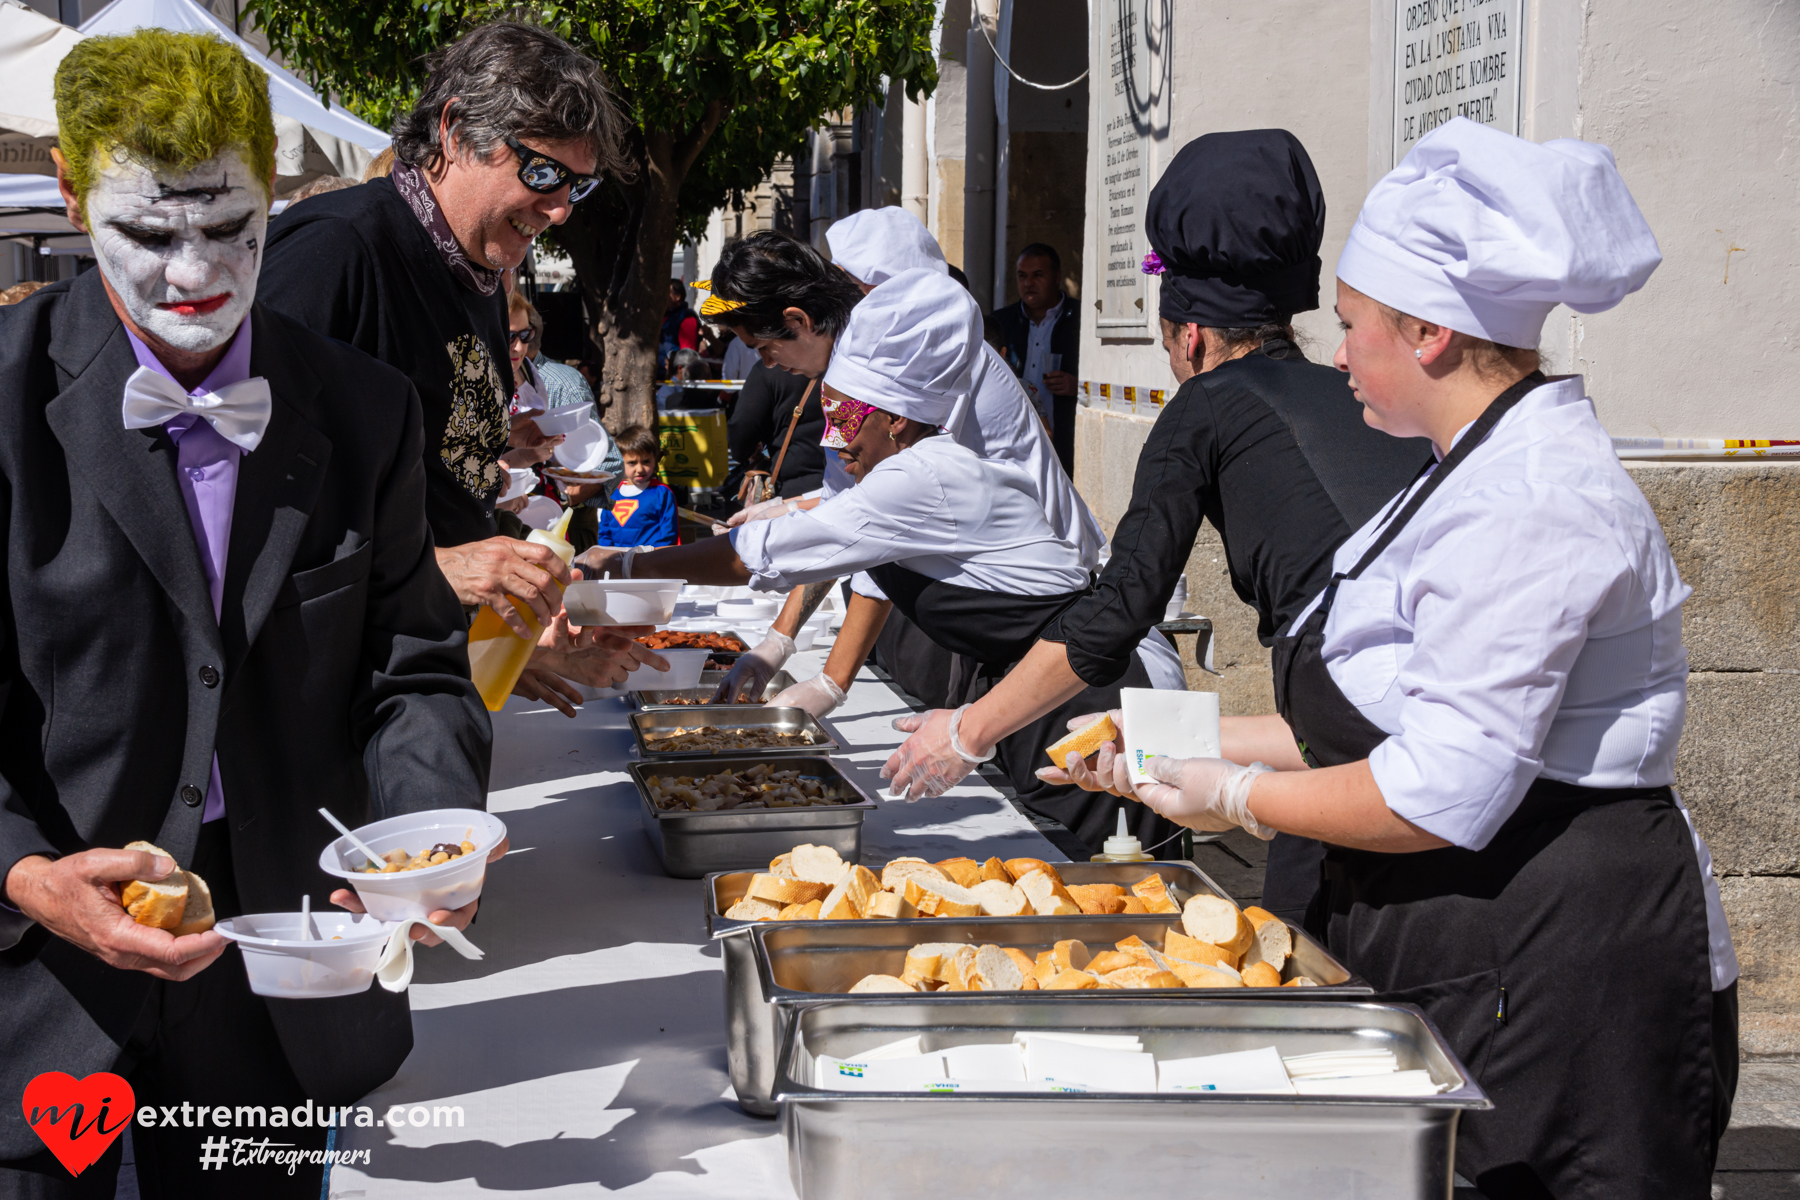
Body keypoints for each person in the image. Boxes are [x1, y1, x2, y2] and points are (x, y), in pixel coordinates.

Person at [1056, 117, 1737, 1198]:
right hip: (1472, 936)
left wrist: (1232, 793)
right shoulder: (1457, 472)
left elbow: (1437, 789)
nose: (1337, 354)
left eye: (1353, 325)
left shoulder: (1533, 502)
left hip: (1561, 960)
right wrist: (1158, 746)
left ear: (1425, 333)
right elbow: (1390, 714)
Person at [0, 31, 491, 1197]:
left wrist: (423, 837)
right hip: (42, 987)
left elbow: (413, 665)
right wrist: (26, 877)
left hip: (278, 973)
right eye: (147, 233)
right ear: (71, 189)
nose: (193, 275)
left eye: (229, 228)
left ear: (272, 187)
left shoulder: (363, 410)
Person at [885, 130, 1432, 925]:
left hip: (1358, 769)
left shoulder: (1203, 406)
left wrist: (967, 734)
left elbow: (1115, 611)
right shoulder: (1355, 397)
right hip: (1419, 734)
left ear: (1191, 336)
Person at [584, 270, 1183, 855]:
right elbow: (844, 542)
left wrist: (628, 567)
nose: (835, 444)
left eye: (845, 421)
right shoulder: (903, 465)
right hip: (1031, 694)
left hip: (1100, 698)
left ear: (896, 419)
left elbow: (766, 557)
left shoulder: (924, 475)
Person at [258, 22, 652, 703]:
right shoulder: (335, 252)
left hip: (421, 680)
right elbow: (240, 501)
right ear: (455, 131)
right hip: (322, 710)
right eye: (543, 172)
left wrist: (494, 653)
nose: (559, 209)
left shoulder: (473, 274)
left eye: (577, 187)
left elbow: (434, 487)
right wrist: (438, 571)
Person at [700, 227, 1128, 721]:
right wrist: (778, 641)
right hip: (991, 610)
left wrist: (832, 681)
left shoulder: (899, 366)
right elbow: (848, 514)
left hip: (1040, 607)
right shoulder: (853, 371)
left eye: (763, 348)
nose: (768, 364)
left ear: (797, 320)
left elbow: (871, 528)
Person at [987, 242, 1079, 473]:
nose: (1028, 283)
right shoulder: (1001, 322)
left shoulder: (1079, 319)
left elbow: (1102, 374)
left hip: (1065, 441)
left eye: (1038, 275)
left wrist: (1078, 385)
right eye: (1022, 276)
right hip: (1011, 442)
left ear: (1057, 276)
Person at [726, 359, 825, 499]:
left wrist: (749, 451)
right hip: (847, 485)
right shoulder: (846, 365)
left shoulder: (770, 369)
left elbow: (741, 430)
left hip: (789, 488)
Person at [592, 425, 678, 548]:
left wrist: (650, 556)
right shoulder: (611, 493)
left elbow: (668, 534)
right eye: (632, 463)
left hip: (650, 562)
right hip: (617, 562)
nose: (640, 469)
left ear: (655, 460)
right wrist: (609, 555)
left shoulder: (661, 493)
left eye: (646, 461)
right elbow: (605, 533)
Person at [659, 277, 699, 377]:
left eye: (667, 292)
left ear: (677, 297)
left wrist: (677, 373)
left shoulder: (687, 318)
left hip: (673, 378)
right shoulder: (664, 316)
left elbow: (688, 354)